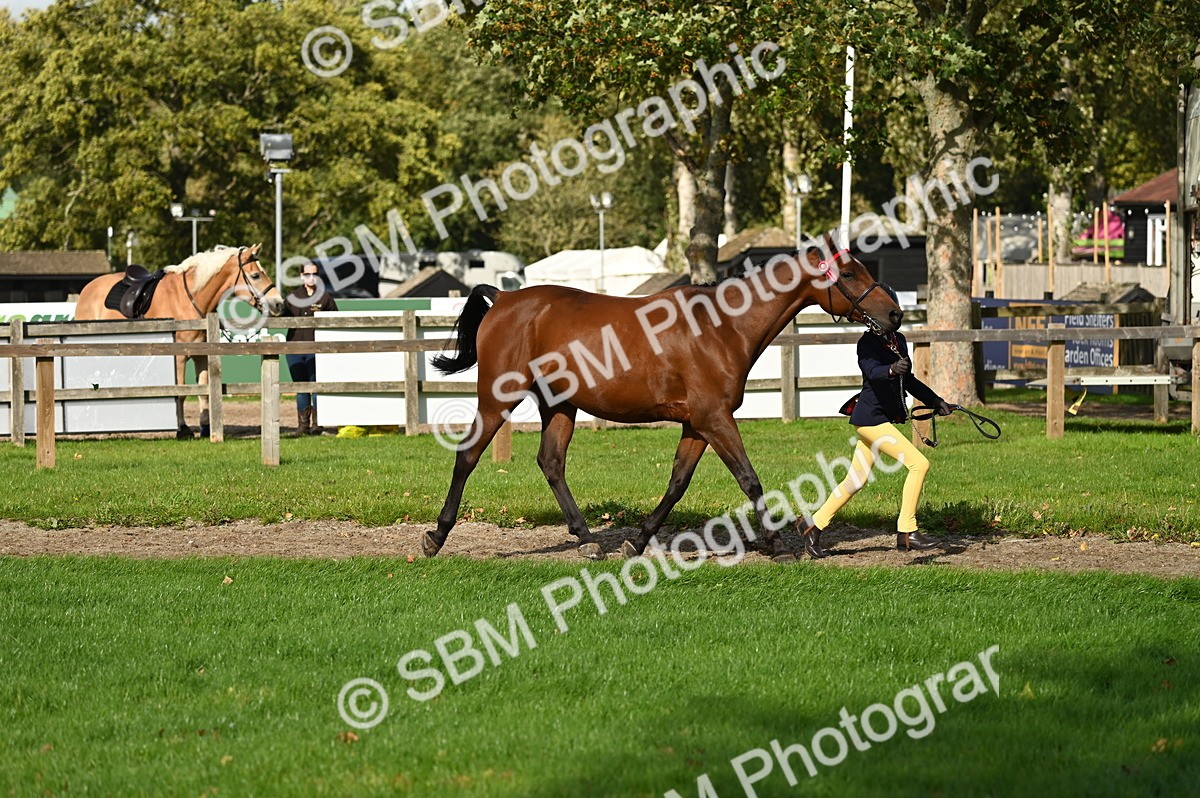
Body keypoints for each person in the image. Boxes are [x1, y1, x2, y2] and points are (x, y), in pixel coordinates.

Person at [800, 285, 953, 558]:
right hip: (870, 419)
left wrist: (936, 401)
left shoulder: (899, 340)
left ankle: (814, 526)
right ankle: (907, 530)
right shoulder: (867, 343)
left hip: (879, 419)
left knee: (855, 480)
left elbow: (911, 381)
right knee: (919, 463)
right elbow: (872, 372)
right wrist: (892, 369)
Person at [283, 262, 338, 435]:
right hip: (295, 349)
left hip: (317, 349)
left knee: (316, 385)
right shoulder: (292, 297)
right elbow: (279, 316)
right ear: (301, 276)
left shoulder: (325, 298)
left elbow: (336, 321)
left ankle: (317, 425)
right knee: (301, 387)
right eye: (307, 274)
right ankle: (303, 426)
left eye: (314, 274)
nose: (311, 277)